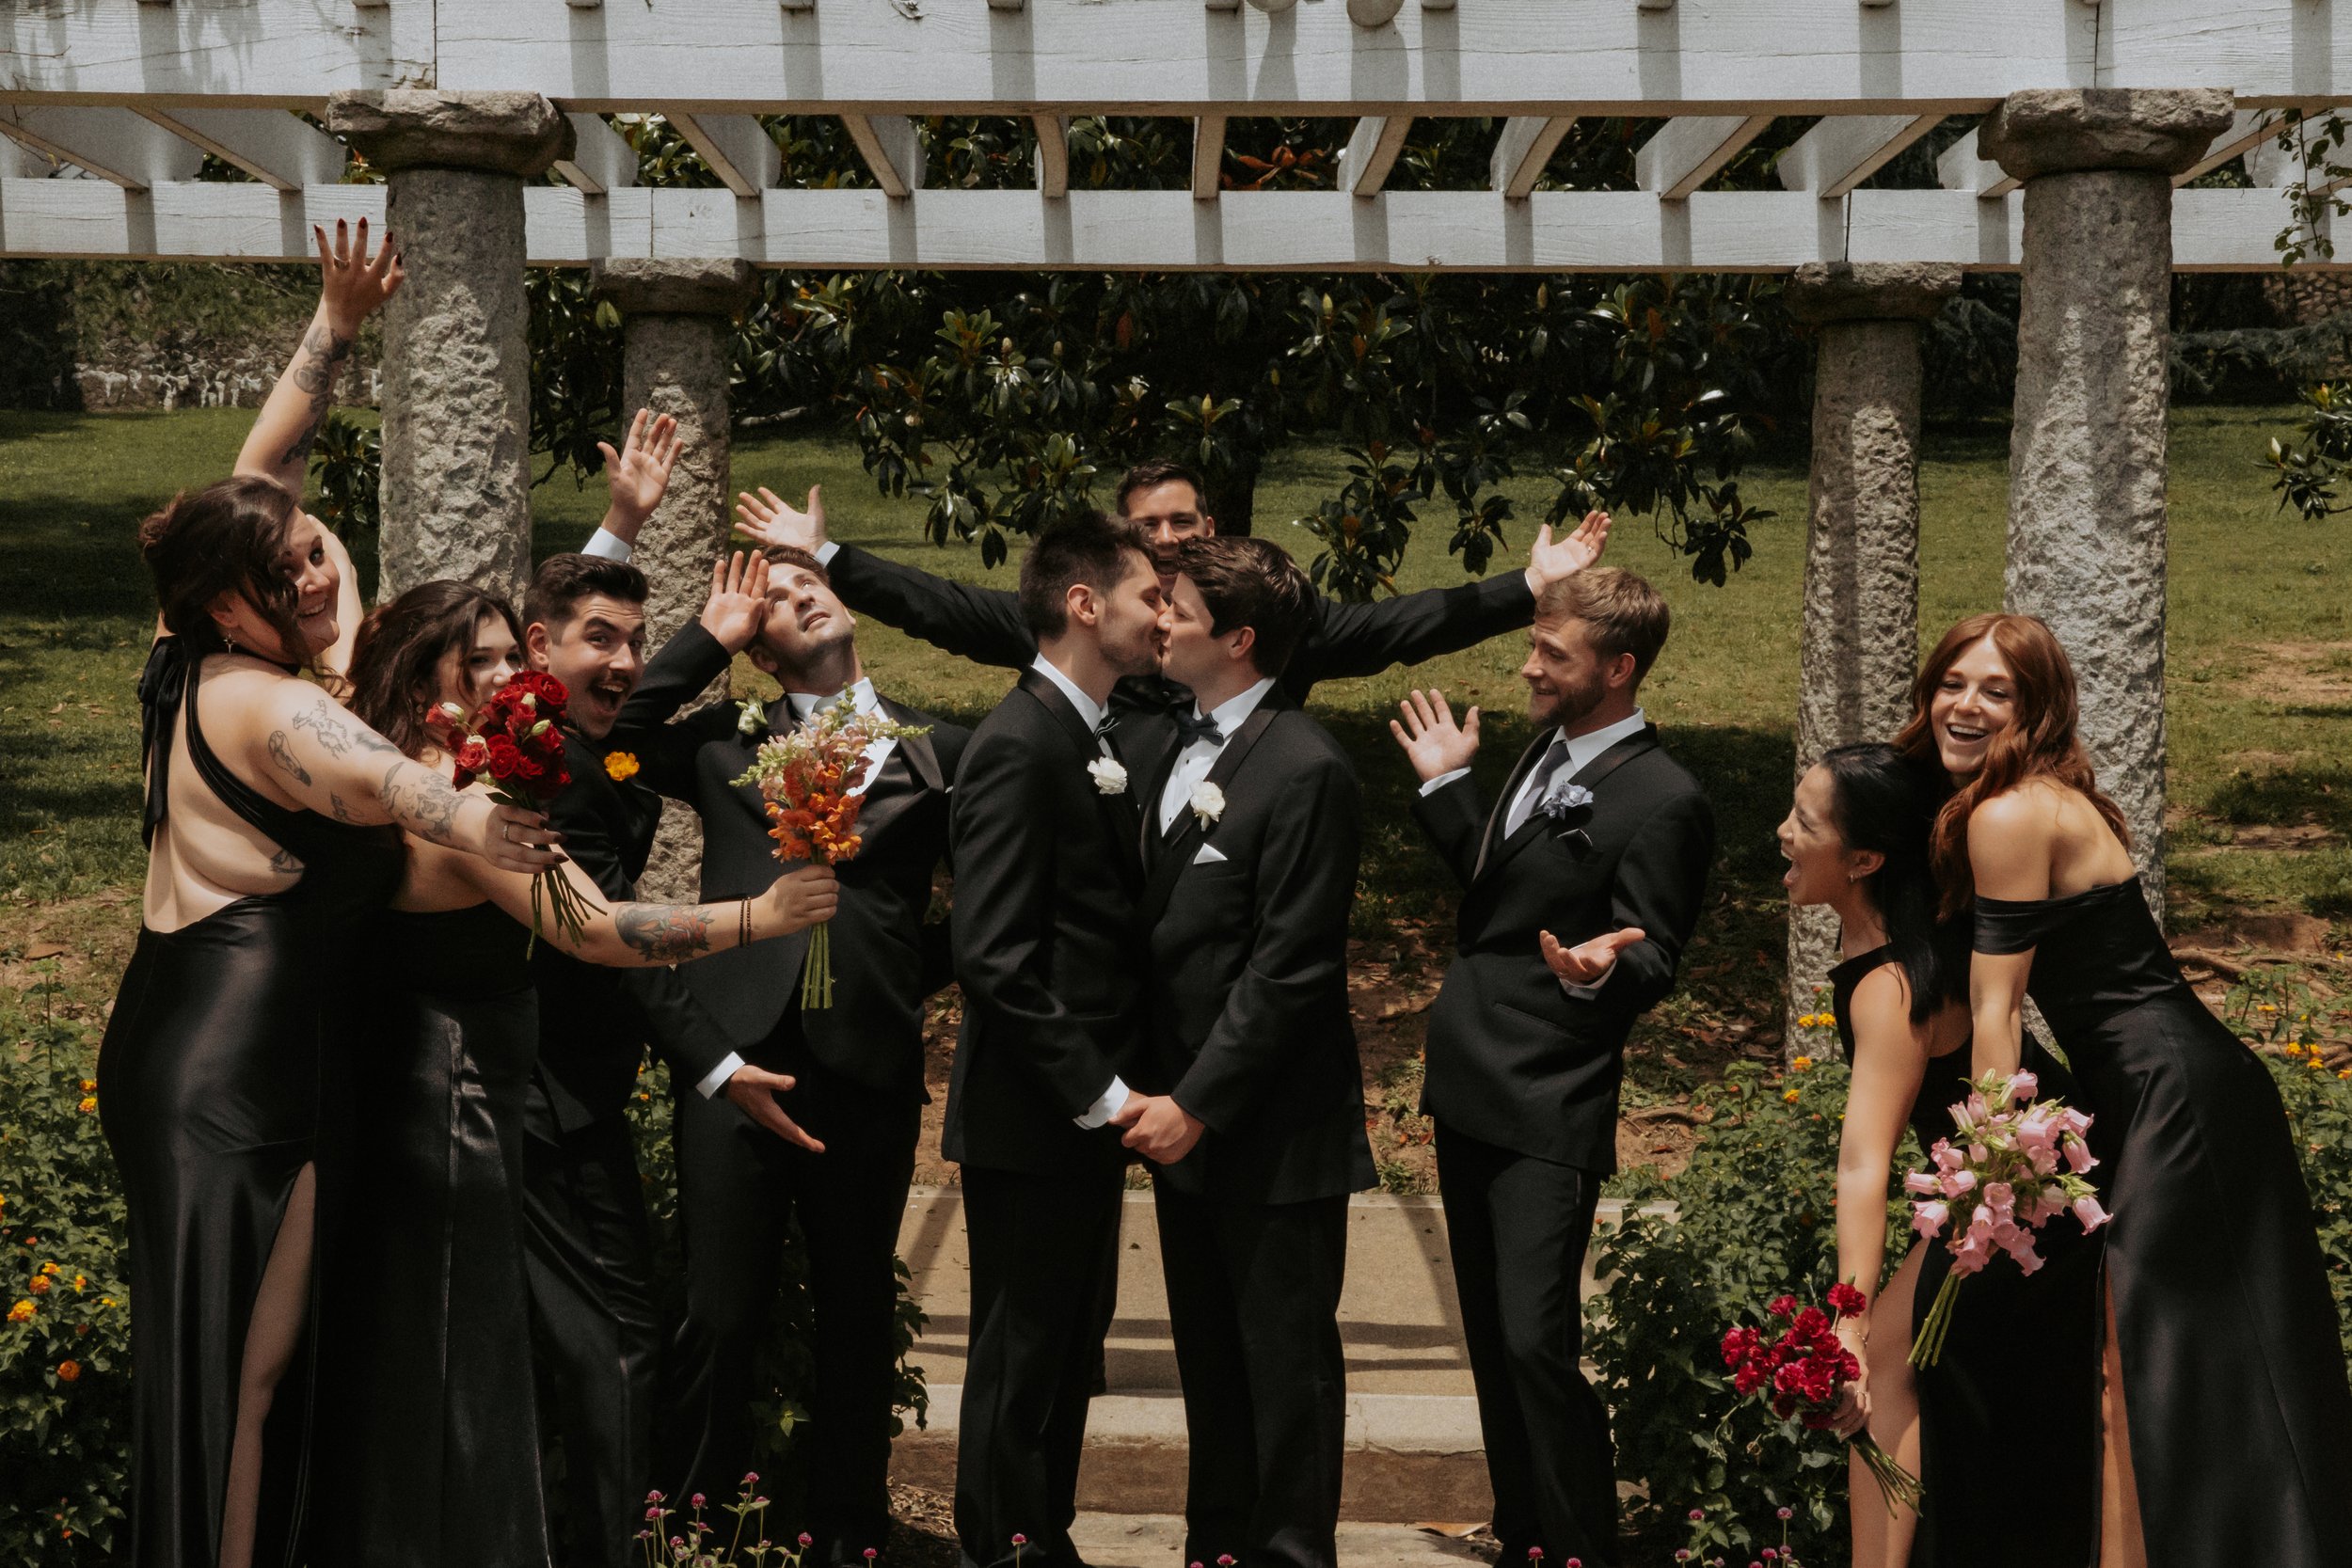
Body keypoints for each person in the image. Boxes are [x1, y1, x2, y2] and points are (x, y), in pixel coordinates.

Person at [310, 582, 835, 1567]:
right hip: (461, 1099)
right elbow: (597, 928)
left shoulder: (384, 765)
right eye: (490, 660)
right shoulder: (467, 807)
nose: (518, 674)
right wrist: (757, 916)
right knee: (531, 1352)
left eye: (518, 652)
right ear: (433, 678)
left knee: (438, 1355)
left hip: (414, 1085)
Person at [101, 483, 565, 1568]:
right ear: (227, 596)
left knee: (201, 1361)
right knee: (249, 1382)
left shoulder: (179, 661)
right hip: (253, 1072)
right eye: (294, 563)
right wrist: (483, 824)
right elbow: (379, 773)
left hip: (165, 1032)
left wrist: (332, 330)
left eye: (321, 552)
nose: (319, 573)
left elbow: (253, 491)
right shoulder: (273, 707)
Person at [1898, 612, 2352, 1568]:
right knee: (2158, 1366)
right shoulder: (2022, 798)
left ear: (2036, 708)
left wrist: (1987, 1163)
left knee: (2138, 1364)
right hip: (2167, 1088)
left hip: (2170, 1098)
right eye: (1952, 681)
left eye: (1995, 690)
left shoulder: (2011, 811)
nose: (1965, 703)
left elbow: (1996, 1007)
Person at [604, 543, 967, 1563]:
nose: (798, 597)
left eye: (809, 582)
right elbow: (613, 747)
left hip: (869, 1064)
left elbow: (988, 909)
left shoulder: (939, 750)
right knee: (717, 1314)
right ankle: (689, 1534)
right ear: (756, 653)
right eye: (769, 601)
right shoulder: (723, 742)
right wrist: (698, 643)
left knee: (856, 1314)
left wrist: (900, 968)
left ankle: (848, 1535)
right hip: (732, 1056)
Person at [1388, 567, 1713, 1568]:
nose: (1529, 665)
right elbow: (1498, 897)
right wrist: (1448, 787)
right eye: (1533, 644)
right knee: (1490, 1333)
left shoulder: (1666, 799)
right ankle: (1524, 1530)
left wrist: (1594, 975)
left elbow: (1652, 951)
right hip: (1471, 1078)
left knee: (1535, 1338)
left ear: (1617, 668)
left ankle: (1581, 1543)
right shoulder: (1542, 749)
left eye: (1552, 654)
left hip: (1549, 1092)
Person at [514, 547, 826, 1568]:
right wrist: (723, 1054)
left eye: (637, 642)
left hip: (564, 1095)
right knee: (618, 1340)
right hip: (542, 1101)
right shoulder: (544, 770)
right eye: (599, 638)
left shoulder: (569, 742)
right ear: (536, 647)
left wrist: (708, 632)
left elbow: (629, 727)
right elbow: (615, 942)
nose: (626, 662)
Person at [1109, 537, 1376, 1568]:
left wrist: (1199, 1101)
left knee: (1284, 1375)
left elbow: (1290, 968)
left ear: (1239, 638)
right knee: (1210, 1367)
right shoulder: (1158, 744)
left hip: (1269, 1130)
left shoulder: (1307, 767)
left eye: (1174, 604)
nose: (1157, 617)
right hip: (1183, 1126)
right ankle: (1213, 1549)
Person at [1776, 743, 2098, 1568]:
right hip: (2000, 1194)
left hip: (2035, 1203)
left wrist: (1846, 1322)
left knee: (1882, 1359)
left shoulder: (1891, 986)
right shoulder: (1907, 948)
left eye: (1803, 822)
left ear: (1865, 859)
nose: (1781, 832)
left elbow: (1863, 1163)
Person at [945, 513, 1169, 1568]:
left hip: (1078, 1112)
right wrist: (1100, 1089)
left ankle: (1046, 1534)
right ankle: (1001, 1545)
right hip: (1035, 1108)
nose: (1162, 615)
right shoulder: (1018, 741)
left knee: (1069, 1346)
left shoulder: (1088, 733)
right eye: (1148, 596)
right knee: (1022, 1351)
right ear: (1085, 605)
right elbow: (992, 953)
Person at [728, 458, 1610, 715]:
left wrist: (1529, 583)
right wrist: (831, 557)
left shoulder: (1269, 618)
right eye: (1144, 529)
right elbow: (947, 609)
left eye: (1180, 523)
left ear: (1210, 526)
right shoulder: (1081, 621)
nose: (1164, 540)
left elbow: (1401, 628)